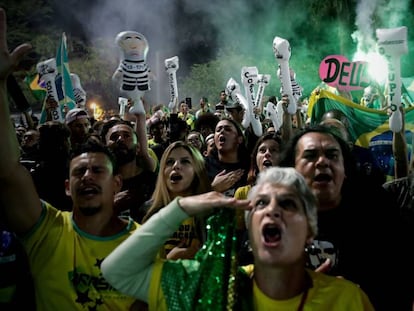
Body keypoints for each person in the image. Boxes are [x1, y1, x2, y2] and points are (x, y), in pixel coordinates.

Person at [0, 9, 141, 308]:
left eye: (97, 170)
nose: (87, 176)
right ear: (67, 186)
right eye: (79, 172)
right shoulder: (47, 232)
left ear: (117, 183)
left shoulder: (143, 243)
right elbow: (7, 171)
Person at [101, 167, 374, 310]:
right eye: (261, 204)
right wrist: (180, 207)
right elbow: (118, 271)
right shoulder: (210, 286)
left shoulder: (345, 299)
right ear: (249, 228)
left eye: (288, 204)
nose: (273, 210)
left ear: (310, 231)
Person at [278, 125, 413, 311]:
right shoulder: (273, 220)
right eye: (310, 156)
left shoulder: (379, 212)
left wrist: (350, 294)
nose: (322, 162)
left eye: (332, 155)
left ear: (345, 168)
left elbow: (401, 283)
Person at [141, 141, 211, 259]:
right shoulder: (147, 212)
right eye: (169, 162)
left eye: (185, 161)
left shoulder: (211, 213)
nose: (176, 166)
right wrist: (169, 261)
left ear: (197, 170)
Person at [101, 118, 157, 223]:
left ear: (138, 147)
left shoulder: (155, 182)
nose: (120, 139)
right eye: (114, 137)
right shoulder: (98, 184)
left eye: (126, 136)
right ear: (105, 147)